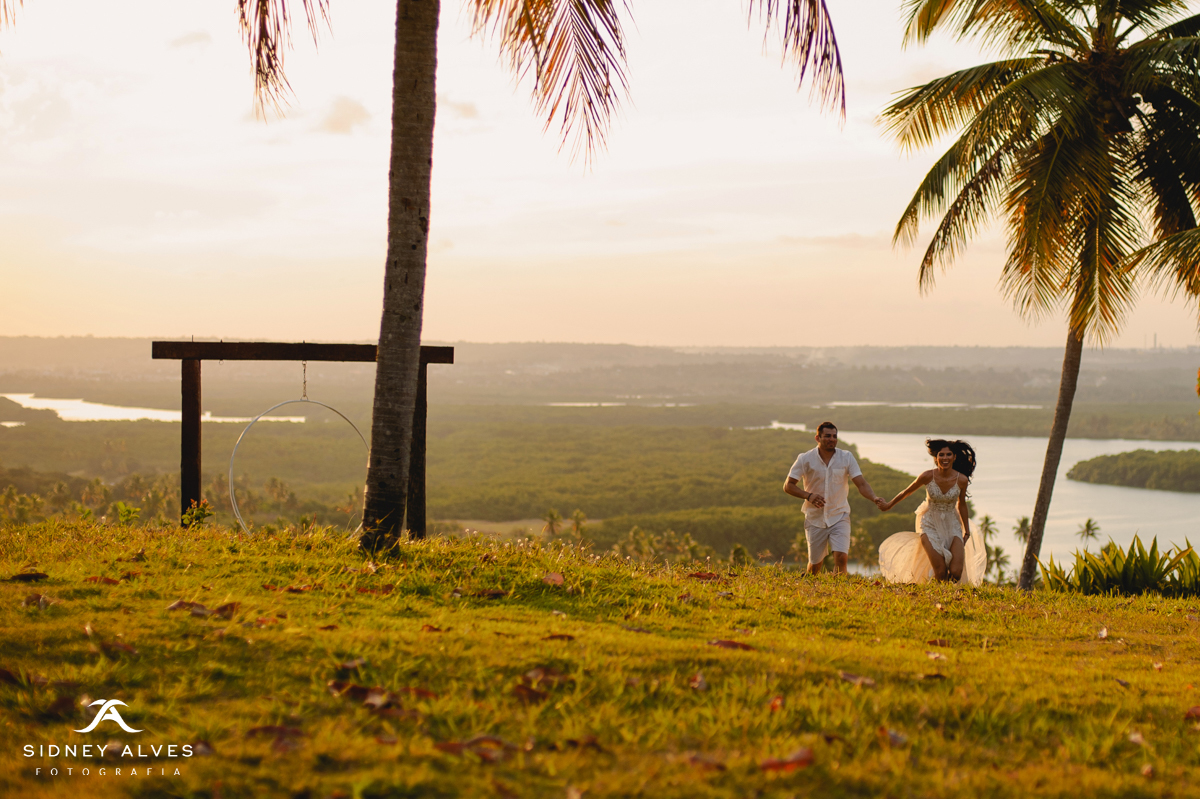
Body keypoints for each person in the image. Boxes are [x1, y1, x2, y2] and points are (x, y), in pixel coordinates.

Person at [876, 439, 987, 585]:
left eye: (948, 455)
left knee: (956, 572)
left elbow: (962, 505)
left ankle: (943, 593)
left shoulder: (962, 480)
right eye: (941, 455)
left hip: (952, 524)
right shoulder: (927, 476)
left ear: (954, 457)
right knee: (940, 572)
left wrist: (966, 531)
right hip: (929, 523)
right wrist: (888, 505)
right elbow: (906, 492)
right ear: (936, 458)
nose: (945, 458)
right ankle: (935, 595)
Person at [783, 422, 884, 575]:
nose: (832, 439)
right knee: (815, 566)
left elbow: (861, 483)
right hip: (814, 518)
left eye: (834, 436)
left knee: (841, 558)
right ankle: (811, 588)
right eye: (827, 436)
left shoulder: (846, 457)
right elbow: (788, 486)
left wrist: (874, 498)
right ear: (818, 437)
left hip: (839, 515)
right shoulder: (805, 459)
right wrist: (808, 496)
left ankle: (840, 593)